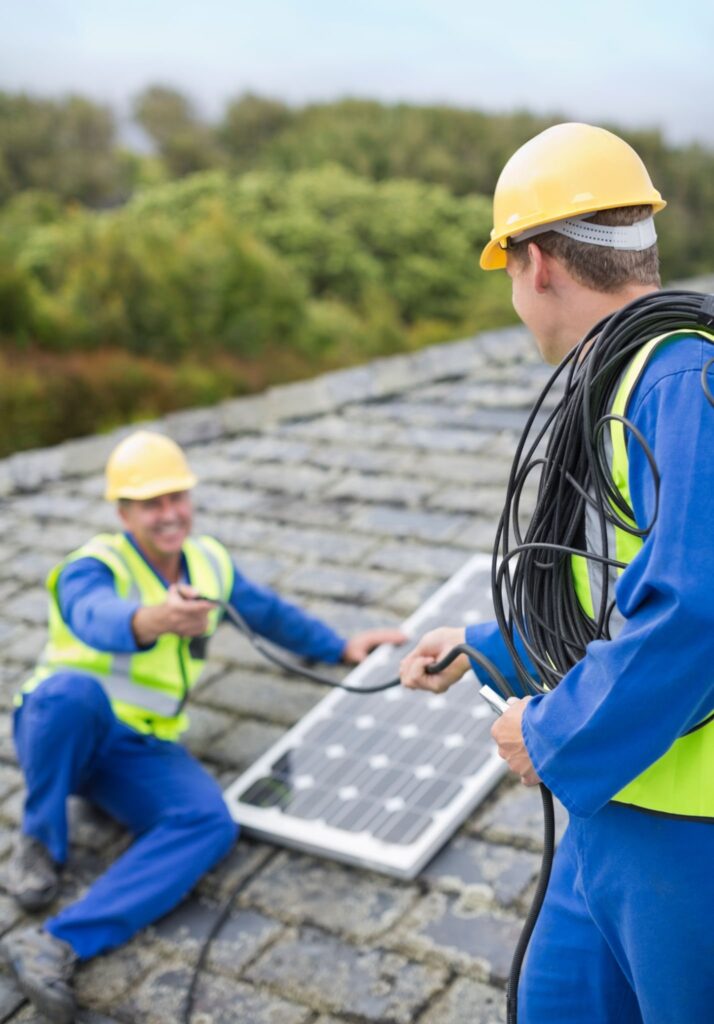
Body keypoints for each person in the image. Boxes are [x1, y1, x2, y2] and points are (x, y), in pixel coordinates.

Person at [400, 123, 714, 1023]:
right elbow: (611, 594)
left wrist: (555, 732)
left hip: (686, 840)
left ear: (537, 262)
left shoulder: (681, 382)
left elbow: (696, 611)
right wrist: (485, 646)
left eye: (506, 269)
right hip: (613, 808)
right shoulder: (618, 386)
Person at [1, 430, 405, 1023]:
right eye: (150, 503)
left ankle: (56, 942)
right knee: (71, 691)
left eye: (176, 498)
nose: (169, 514)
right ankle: (39, 839)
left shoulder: (209, 562)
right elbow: (93, 616)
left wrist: (342, 645)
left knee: (209, 823)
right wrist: (153, 618)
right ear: (123, 512)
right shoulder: (93, 566)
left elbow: (267, 614)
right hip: (60, 734)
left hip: (137, 749)